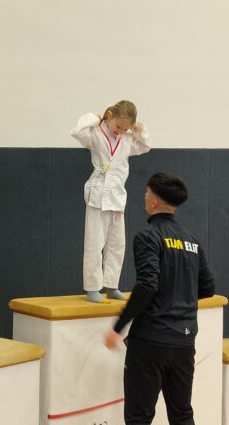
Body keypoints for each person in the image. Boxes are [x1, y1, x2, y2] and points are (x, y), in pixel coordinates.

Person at [105, 172, 215, 425]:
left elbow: (147, 285)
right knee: (182, 414)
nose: (144, 196)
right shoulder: (192, 241)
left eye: (146, 192)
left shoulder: (147, 237)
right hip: (184, 341)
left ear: (153, 201)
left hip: (150, 340)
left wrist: (118, 327)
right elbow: (208, 288)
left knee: (139, 417)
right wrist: (179, 297)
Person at [70, 100, 150, 303]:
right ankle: (92, 288)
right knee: (94, 243)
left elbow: (145, 147)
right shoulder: (96, 133)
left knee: (117, 244)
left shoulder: (127, 139)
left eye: (125, 129)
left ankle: (112, 285)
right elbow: (77, 132)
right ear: (110, 116)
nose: (120, 131)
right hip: (98, 195)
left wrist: (139, 132)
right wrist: (94, 118)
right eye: (118, 126)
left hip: (117, 196)